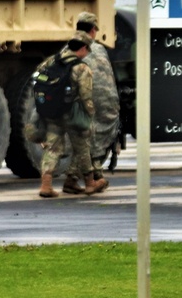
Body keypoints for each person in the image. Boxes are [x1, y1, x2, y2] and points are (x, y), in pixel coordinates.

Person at [37, 30, 105, 198]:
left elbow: (39, 75)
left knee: (52, 148)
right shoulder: (81, 68)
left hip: (52, 111)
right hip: (72, 113)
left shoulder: (52, 61)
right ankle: (90, 183)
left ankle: (46, 185)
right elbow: (86, 96)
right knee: (82, 146)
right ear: (82, 48)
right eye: (87, 50)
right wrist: (90, 114)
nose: (87, 53)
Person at [75, 11, 120, 191]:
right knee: (96, 135)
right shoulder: (100, 48)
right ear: (93, 30)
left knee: (83, 134)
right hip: (108, 105)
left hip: (84, 101)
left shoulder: (70, 48)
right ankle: (96, 173)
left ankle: (87, 176)